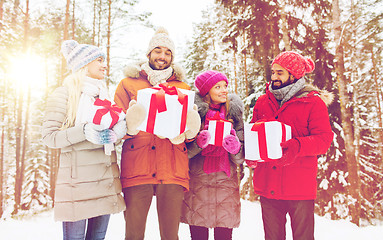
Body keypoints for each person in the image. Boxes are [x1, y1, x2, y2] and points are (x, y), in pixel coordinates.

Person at [113, 27, 200, 240]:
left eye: (167, 52)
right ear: (148, 54)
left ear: (172, 57)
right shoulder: (127, 84)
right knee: (133, 234)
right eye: (158, 50)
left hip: (172, 168)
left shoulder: (183, 87)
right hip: (137, 166)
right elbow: (115, 125)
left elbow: (190, 134)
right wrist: (129, 127)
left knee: (170, 235)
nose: (162, 56)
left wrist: (188, 132)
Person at [42, 40, 126, 240]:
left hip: (103, 183)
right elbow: (49, 137)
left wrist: (116, 136)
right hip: (77, 188)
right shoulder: (64, 94)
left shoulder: (103, 96)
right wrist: (84, 131)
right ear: (83, 64)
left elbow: (110, 135)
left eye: (104, 60)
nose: (105, 65)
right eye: (99, 60)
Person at [246, 51, 334, 240]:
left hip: (299, 187)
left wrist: (297, 146)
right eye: (273, 72)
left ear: (294, 75)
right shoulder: (262, 102)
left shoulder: (313, 102)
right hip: (268, 184)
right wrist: (252, 152)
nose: (274, 77)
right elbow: (254, 133)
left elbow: (324, 139)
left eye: (280, 73)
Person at [181, 70, 244, 240]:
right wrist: (199, 144)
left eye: (225, 86)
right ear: (206, 91)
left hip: (226, 186)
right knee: (198, 236)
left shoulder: (234, 115)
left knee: (224, 236)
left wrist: (235, 148)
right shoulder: (193, 114)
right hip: (198, 184)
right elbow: (183, 154)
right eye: (218, 87)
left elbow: (240, 159)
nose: (224, 90)